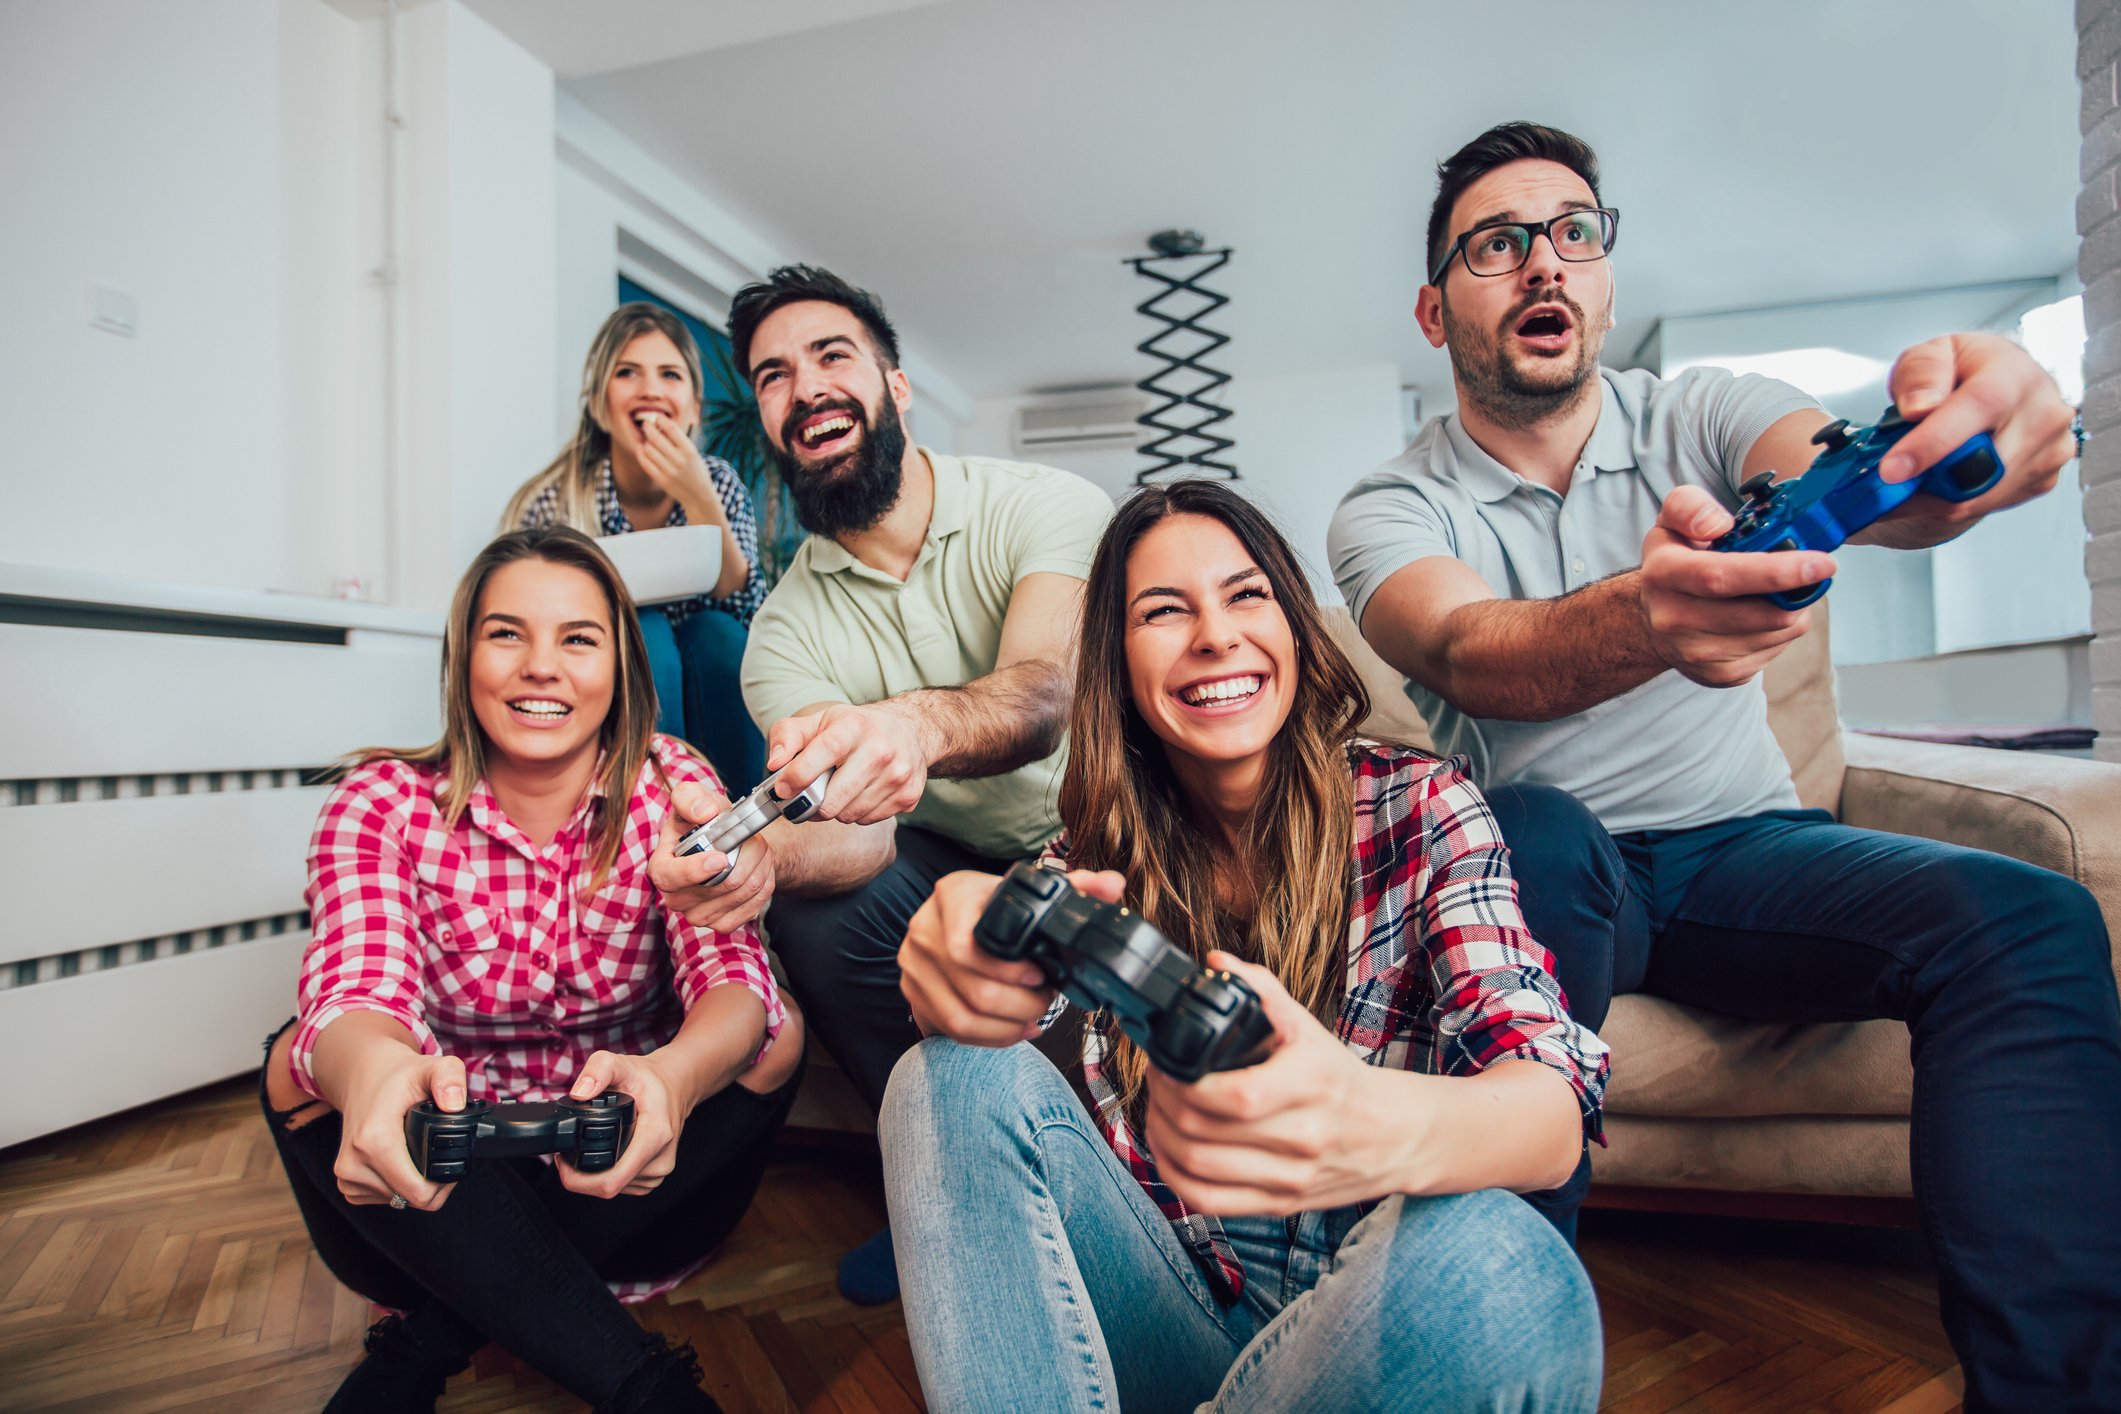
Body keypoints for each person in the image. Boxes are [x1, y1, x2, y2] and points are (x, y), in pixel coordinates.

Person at [1328, 121, 2121, 1411]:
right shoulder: (1388, 507)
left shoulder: (1702, 410)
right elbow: (1472, 653)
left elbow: (1859, 483)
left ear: (1604, 279)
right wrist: (1648, 617)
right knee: (1524, 825)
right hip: (1549, 872)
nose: (1544, 262)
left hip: (1745, 853)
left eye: (1573, 233)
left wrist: (1953, 457)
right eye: (1497, 244)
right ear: (1436, 311)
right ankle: (1483, 1365)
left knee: (2031, 920)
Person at [879, 480, 1607, 1413]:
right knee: (941, 1075)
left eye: (1245, 595)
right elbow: (982, 1005)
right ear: (1118, 668)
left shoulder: (1420, 805)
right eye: (1162, 611)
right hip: (1179, 1311)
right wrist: (961, 957)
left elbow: (1551, 1108)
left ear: (1295, 629)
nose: (1215, 636)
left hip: (1371, 1324)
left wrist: (1362, 1121)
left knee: (1507, 1265)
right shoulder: (1088, 864)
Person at [258, 526, 855, 1413]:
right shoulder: (378, 801)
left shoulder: (672, 782)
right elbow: (355, 983)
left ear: (620, 667)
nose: (541, 666)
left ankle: (430, 1340)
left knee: (775, 1036)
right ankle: (646, 1389)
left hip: (642, 1191)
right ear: (463, 658)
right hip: (432, 1195)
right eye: (506, 634)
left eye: (578, 638)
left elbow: (732, 979)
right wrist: (374, 1073)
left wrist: (672, 1081)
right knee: (296, 1061)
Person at [647, 264, 1114, 1302]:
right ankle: (947, 1194)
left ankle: (1108, 1190)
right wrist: (764, 857)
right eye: (772, 375)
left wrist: (913, 724)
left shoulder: (1043, 505)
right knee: (815, 911)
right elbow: (852, 831)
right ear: (767, 423)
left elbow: (1045, 692)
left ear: (895, 386)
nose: (804, 386)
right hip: (944, 851)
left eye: (831, 356)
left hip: (1109, 823)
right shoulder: (783, 633)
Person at [505, 302, 768, 789]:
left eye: (670, 374)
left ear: (693, 407)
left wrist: (698, 497)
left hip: (712, 673)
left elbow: (744, 604)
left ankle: (744, 806)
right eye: (627, 372)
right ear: (598, 404)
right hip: (611, 683)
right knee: (646, 633)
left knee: (717, 631)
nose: (650, 389)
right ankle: (653, 805)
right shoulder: (558, 501)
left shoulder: (718, 482)